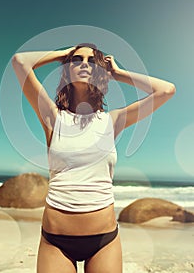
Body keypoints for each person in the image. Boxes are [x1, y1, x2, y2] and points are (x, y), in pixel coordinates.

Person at [12, 42, 176, 273]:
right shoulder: (52, 117)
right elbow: (20, 62)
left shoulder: (113, 120)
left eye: (91, 61)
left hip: (104, 241)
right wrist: (65, 55)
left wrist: (119, 74)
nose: (84, 64)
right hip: (56, 243)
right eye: (78, 60)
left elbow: (166, 90)